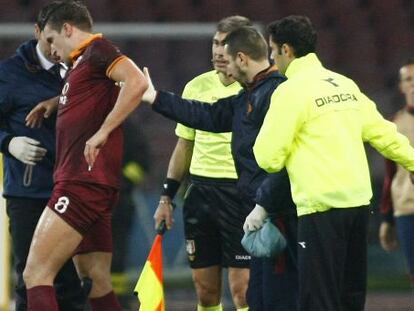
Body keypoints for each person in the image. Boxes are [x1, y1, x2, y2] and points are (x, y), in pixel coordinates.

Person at [250, 15, 414, 311]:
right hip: (358, 206)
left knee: (319, 300)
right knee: (350, 297)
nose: (273, 58)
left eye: (274, 51)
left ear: (287, 50)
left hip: (320, 209)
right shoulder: (345, 84)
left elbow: (268, 158)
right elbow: (383, 133)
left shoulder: (290, 91)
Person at [144, 25, 298, 311]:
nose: (222, 63)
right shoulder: (249, 96)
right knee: (255, 296)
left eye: (227, 56)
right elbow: (207, 115)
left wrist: (264, 205)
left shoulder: (278, 93)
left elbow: (288, 161)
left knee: (267, 295)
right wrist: (155, 98)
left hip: (271, 211)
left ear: (241, 58)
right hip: (244, 203)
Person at [21, 1, 148, 311]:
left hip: (80, 183)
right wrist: (56, 102)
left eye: (51, 39)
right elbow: (93, 96)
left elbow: (138, 82)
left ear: (68, 28)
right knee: (95, 279)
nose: (49, 49)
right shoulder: (81, 65)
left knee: (35, 273)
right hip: (95, 186)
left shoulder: (97, 50)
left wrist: (104, 130)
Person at [154, 16, 251, 311]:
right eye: (216, 43)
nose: (219, 51)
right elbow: (185, 144)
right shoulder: (196, 86)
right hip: (201, 194)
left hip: (240, 194)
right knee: (206, 291)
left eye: (227, 44)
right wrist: (167, 197)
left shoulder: (255, 90)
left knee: (242, 290)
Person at [0, 2, 85, 310]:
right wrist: (9, 143)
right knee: (32, 279)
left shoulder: (83, 69)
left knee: (78, 282)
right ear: (37, 32)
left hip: (77, 192)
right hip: (30, 194)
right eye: (48, 39)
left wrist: (57, 100)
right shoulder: (9, 75)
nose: (54, 47)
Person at [379, 58, 414, 288]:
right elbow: (390, 174)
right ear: (401, 86)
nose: (413, 84)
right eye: (409, 79)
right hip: (407, 209)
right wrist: (386, 218)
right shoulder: (395, 124)